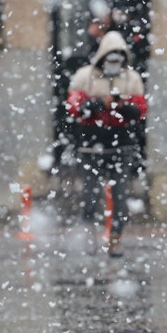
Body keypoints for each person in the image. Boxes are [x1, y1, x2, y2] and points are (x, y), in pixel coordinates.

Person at [66, 31, 147, 257]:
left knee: (120, 199)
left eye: (119, 57)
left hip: (121, 145)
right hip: (91, 144)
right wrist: (100, 104)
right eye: (111, 57)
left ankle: (115, 240)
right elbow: (74, 108)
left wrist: (120, 106)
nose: (114, 63)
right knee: (90, 197)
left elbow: (139, 111)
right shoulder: (85, 76)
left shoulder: (131, 79)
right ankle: (90, 240)